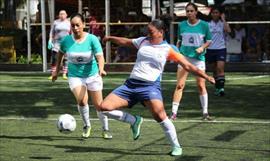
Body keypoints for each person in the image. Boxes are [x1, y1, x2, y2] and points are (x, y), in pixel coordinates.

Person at [99, 19, 215, 156]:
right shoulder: (143, 41)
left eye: (151, 32)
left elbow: (188, 66)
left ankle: (176, 146)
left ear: (161, 32)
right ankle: (134, 120)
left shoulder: (169, 49)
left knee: (161, 117)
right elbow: (126, 41)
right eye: (147, 31)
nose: (148, 34)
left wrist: (206, 77)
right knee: (104, 108)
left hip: (150, 87)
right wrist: (110, 38)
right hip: (130, 85)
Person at [51, 13, 112, 139]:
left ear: (84, 25)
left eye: (78, 25)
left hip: (92, 75)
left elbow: (100, 57)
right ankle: (87, 125)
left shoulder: (92, 39)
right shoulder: (67, 40)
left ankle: (105, 129)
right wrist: (56, 71)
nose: (75, 28)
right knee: (82, 100)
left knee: (99, 105)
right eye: (73, 25)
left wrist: (101, 69)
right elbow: (60, 55)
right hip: (75, 76)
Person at [170, 2, 213, 121]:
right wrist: (177, 53)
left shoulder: (204, 25)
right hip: (184, 58)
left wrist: (202, 47)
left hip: (198, 60)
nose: (189, 13)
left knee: (200, 85)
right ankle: (174, 113)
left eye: (191, 11)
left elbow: (209, 40)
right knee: (179, 85)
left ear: (196, 12)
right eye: (187, 11)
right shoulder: (182, 25)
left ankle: (205, 113)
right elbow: (179, 40)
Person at [206, 6, 231, 96]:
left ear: (220, 14)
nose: (215, 14)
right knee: (214, 70)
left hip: (221, 48)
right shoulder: (208, 24)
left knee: (220, 68)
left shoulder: (223, 23)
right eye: (213, 13)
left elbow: (228, 30)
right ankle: (217, 88)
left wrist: (223, 19)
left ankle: (221, 89)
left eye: (217, 13)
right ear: (211, 14)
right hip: (210, 49)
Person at [48, 10, 70, 80]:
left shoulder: (69, 23)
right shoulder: (55, 22)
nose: (62, 15)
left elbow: (72, 33)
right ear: (58, 15)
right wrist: (50, 40)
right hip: (56, 43)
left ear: (66, 15)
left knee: (66, 58)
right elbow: (52, 32)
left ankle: (64, 74)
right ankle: (53, 74)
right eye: (60, 14)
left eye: (63, 14)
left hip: (66, 43)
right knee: (54, 58)